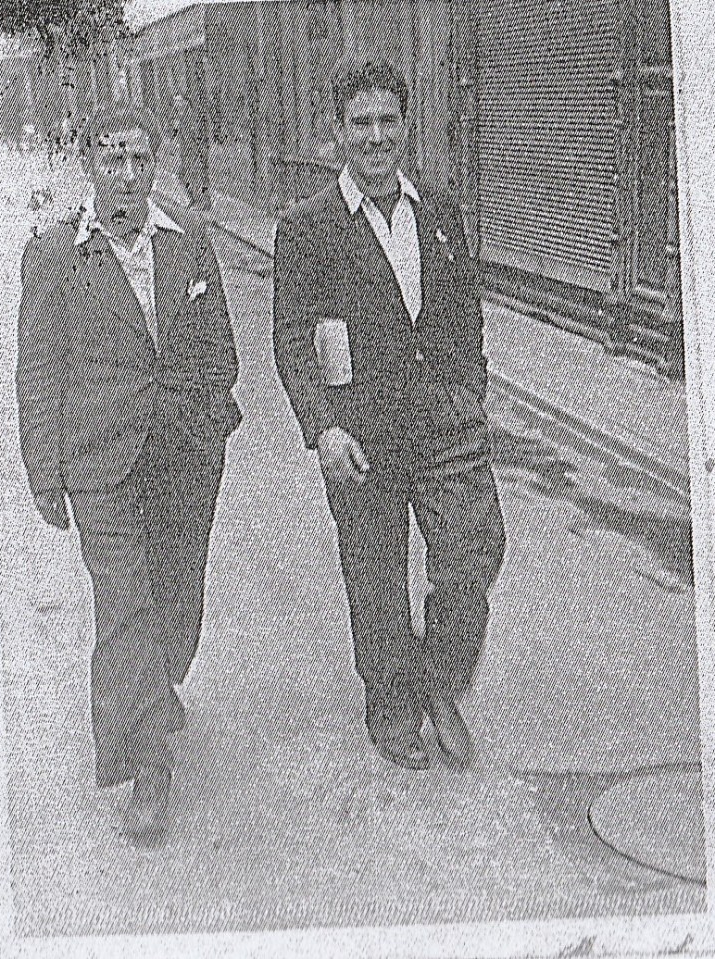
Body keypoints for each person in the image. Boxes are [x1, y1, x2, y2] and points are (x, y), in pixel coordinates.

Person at [16, 100, 241, 843]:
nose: (127, 172)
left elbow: (219, 346)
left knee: (178, 597)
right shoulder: (55, 253)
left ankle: (157, 688)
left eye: (140, 158)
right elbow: (38, 367)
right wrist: (44, 468)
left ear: (155, 165)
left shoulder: (189, 238)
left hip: (182, 456)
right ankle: (146, 762)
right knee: (125, 603)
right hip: (99, 461)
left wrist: (210, 419)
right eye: (112, 157)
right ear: (89, 163)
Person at [273, 56, 505, 772]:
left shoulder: (437, 209)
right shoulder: (308, 226)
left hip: (443, 423)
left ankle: (441, 682)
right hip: (360, 434)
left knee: (473, 555)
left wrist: (469, 388)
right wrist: (323, 428)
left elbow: (463, 309)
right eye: (360, 122)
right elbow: (291, 337)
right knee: (375, 576)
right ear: (338, 131)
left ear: (407, 125)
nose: (376, 137)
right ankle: (393, 708)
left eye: (388, 121)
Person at [171, 93, 211, 210]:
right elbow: (178, 135)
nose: (177, 109)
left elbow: (197, 138)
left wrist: (199, 152)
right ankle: (193, 199)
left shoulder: (191, 119)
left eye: (179, 106)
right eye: (176, 106)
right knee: (183, 175)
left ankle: (202, 201)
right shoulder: (181, 119)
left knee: (196, 176)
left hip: (193, 153)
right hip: (186, 153)